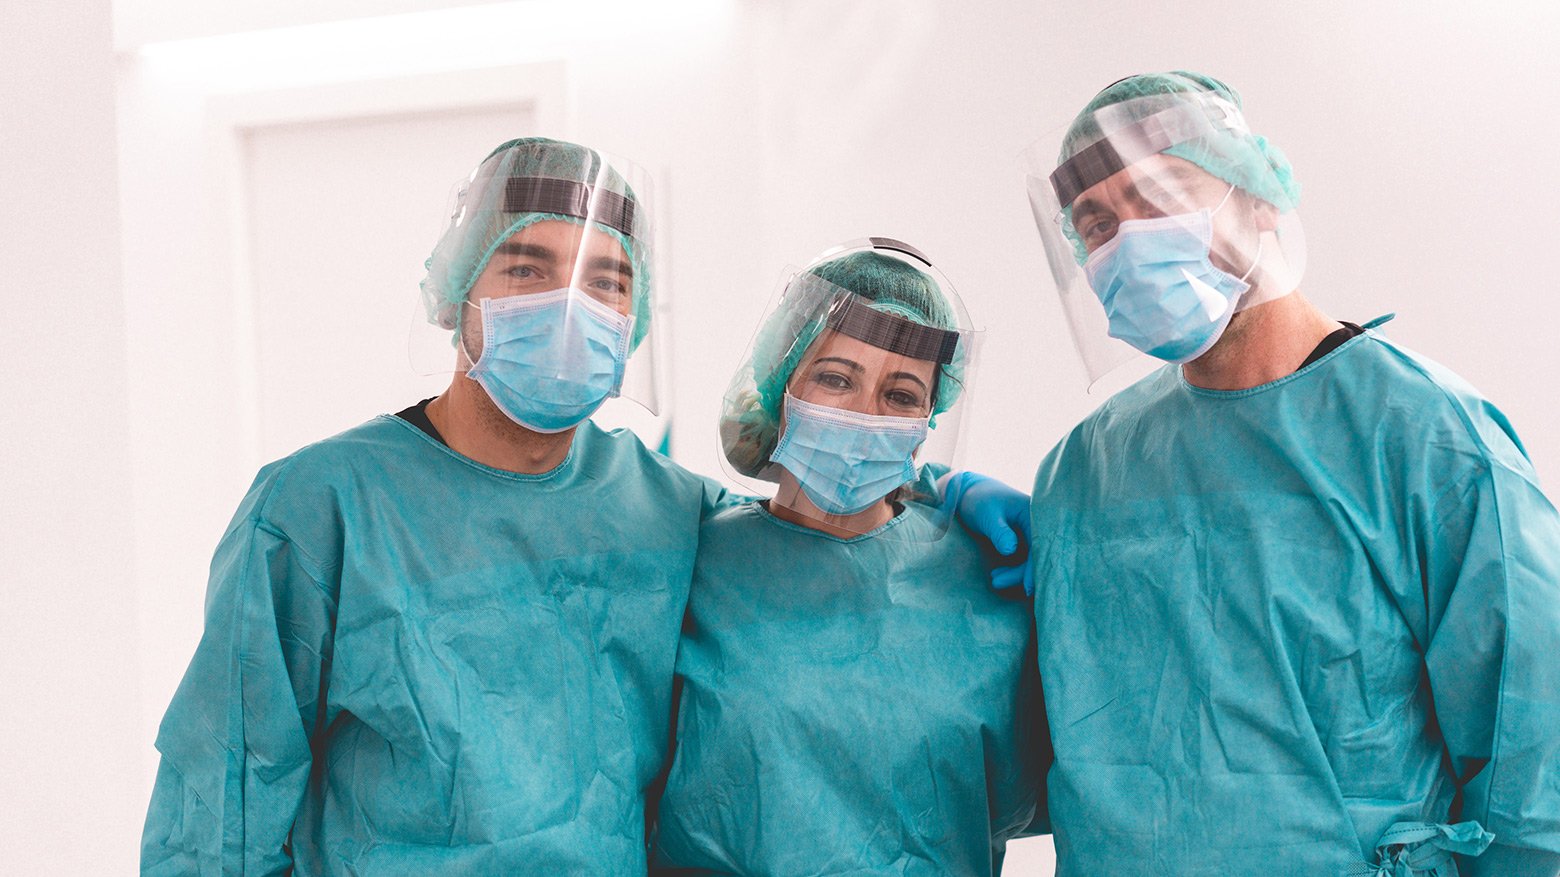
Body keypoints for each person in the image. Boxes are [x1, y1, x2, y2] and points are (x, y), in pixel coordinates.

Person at [142, 139, 1032, 875]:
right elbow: (218, 809)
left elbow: (813, 533)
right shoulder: (317, 509)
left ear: (635, 315)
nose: (571, 308)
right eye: (530, 266)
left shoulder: (667, 508)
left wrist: (943, 490)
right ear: (459, 290)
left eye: (606, 281)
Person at [1018, 71, 1560, 875]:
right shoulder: (1080, 470)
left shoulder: (1425, 440)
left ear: (1259, 197)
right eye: (1096, 222)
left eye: (1161, 194)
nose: (1129, 240)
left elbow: (1534, 771)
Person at [650, 240, 1047, 876]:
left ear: (928, 418)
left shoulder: (981, 583)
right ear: (781, 389)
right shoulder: (690, 564)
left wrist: (948, 491)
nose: (866, 416)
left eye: (901, 394)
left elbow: (1021, 798)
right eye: (836, 379)